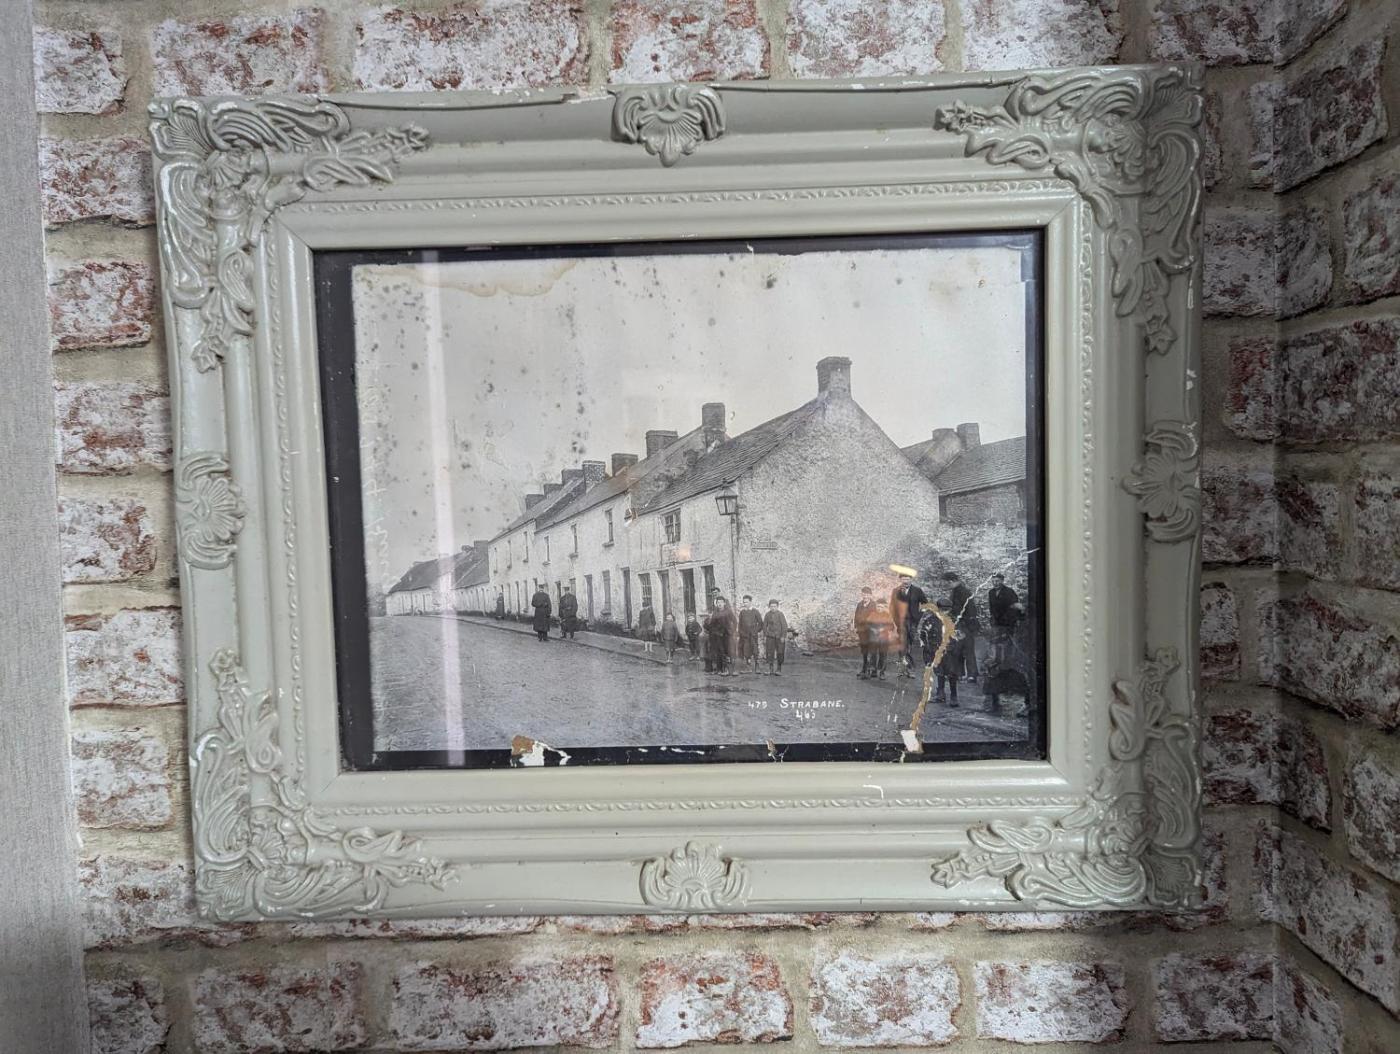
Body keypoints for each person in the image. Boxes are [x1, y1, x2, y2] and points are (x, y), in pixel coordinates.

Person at [919, 600, 963, 707]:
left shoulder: (954, 620)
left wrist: (955, 645)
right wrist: (927, 647)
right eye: (943, 610)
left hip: (950, 651)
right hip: (936, 650)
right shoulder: (930, 620)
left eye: (947, 610)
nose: (945, 612)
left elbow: (961, 636)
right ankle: (940, 694)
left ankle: (954, 696)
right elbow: (923, 634)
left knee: (952, 673)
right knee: (939, 672)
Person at [889, 569, 928, 678]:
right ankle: (906, 669)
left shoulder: (917, 590)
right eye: (903, 579)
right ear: (900, 579)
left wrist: (919, 615)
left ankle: (906, 668)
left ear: (911, 579)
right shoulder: (895, 591)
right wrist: (896, 620)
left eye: (907, 579)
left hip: (913, 622)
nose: (905, 581)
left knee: (909, 644)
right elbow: (892, 607)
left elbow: (925, 603)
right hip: (901, 622)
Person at [945, 572, 980, 683]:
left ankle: (971, 675)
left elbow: (971, 609)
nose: (947, 585)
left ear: (952, 581)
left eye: (947, 582)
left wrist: (968, 625)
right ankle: (960, 674)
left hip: (965, 624)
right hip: (959, 623)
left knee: (967, 649)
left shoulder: (963, 592)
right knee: (958, 649)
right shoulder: (956, 591)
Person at [988, 573, 1020, 666]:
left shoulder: (1009, 592)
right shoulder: (991, 592)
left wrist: (1011, 621)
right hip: (996, 622)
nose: (995, 583)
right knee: (996, 642)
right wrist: (992, 618)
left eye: (997, 581)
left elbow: (1015, 608)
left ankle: (1007, 664)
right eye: (993, 581)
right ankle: (997, 662)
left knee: (1007, 643)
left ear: (1002, 581)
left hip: (1008, 623)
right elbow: (991, 607)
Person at [704, 596, 736, 675]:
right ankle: (720, 669)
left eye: (721, 602)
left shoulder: (728, 611)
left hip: (727, 635)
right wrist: (710, 626)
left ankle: (727, 669)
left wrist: (732, 631)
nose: (720, 604)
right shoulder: (715, 612)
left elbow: (734, 621)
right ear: (716, 604)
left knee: (727, 651)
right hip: (718, 635)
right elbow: (712, 624)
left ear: (724, 603)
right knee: (719, 651)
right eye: (718, 602)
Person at [865, 597, 894, 680]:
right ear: (876, 606)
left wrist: (884, 629)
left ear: (884, 607)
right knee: (872, 655)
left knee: (883, 655)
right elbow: (867, 625)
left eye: (881, 607)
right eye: (878, 606)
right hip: (873, 638)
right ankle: (873, 671)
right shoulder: (872, 614)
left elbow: (891, 627)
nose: (879, 608)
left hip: (883, 639)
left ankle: (882, 672)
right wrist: (872, 629)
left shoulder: (887, 615)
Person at [853, 586, 879, 679]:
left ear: (870, 595)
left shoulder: (874, 605)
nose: (865, 596)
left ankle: (869, 671)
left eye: (867, 594)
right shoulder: (859, 604)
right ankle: (865, 669)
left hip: (871, 632)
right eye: (863, 594)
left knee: (871, 651)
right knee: (864, 651)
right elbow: (856, 616)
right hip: (862, 632)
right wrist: (856, 626)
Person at [761, 599, 789, 676]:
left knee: (780, 652)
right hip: (770, 637)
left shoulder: (780, 614)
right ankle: (771, 668)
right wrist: (766, 635)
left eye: (774, 606)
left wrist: (783, 636)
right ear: (769, 607)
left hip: (779, 637)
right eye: (771, 606)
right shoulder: (767, 615)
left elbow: (784, 626)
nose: (773, 608)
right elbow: (764, 626)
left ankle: (779, 668)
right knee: (770, 652)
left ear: (777, 606)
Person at [737, 595, 763, 673]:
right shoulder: (742, 612)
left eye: (747, 602)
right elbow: (740, 624)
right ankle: (748, 667)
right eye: (744, 602)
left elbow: (761, 623)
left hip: (753, 635)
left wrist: (755, 631)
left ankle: (757, 666)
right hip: (745, 635)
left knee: (755, 650)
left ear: (750, 602)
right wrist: (741, 632)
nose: (745, 604)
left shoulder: (755, 611)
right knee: (746, 650)